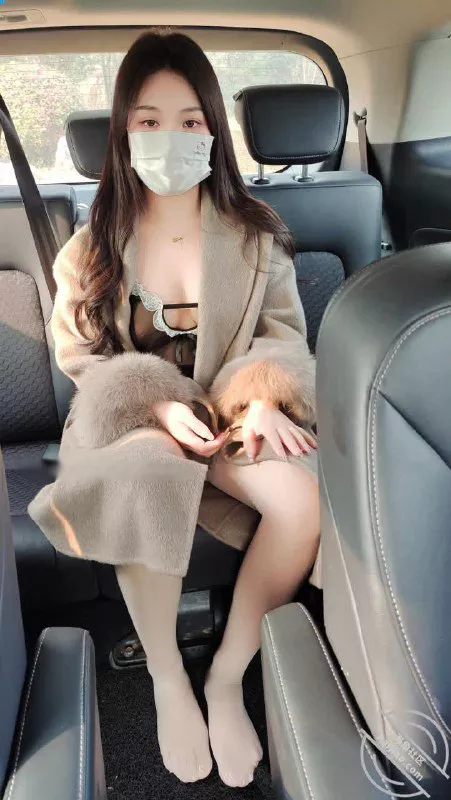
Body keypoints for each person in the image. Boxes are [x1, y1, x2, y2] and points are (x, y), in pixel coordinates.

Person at [28, 30, 320, 789]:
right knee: (147, 477)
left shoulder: (256, 237)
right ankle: (166, 677)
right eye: (149, 120)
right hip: (130, 421)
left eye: (190, 120)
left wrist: (264, 397)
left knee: (302, 497)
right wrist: (155, 406)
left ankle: (226, 675)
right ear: (124, 133)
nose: (171, 137)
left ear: (213, 130)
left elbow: (282, 334)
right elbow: (80, 356)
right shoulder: (89, 247)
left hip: (227, 410)